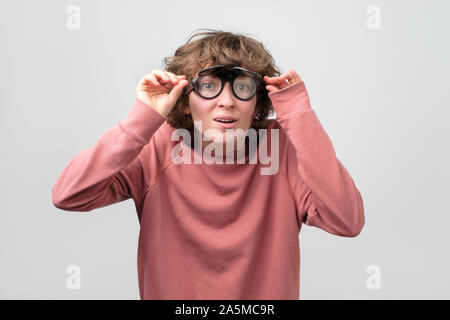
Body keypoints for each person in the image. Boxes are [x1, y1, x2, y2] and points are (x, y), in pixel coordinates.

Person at [52, 29, 365, 300]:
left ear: (257, 102)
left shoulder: (282, 147)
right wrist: (142, 119)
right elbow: (69, 195)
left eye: (242, 87)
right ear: (186, 99)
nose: (226, 100)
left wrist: (298, 114)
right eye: (209, 85)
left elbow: (347, 220)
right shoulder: (156, 145)